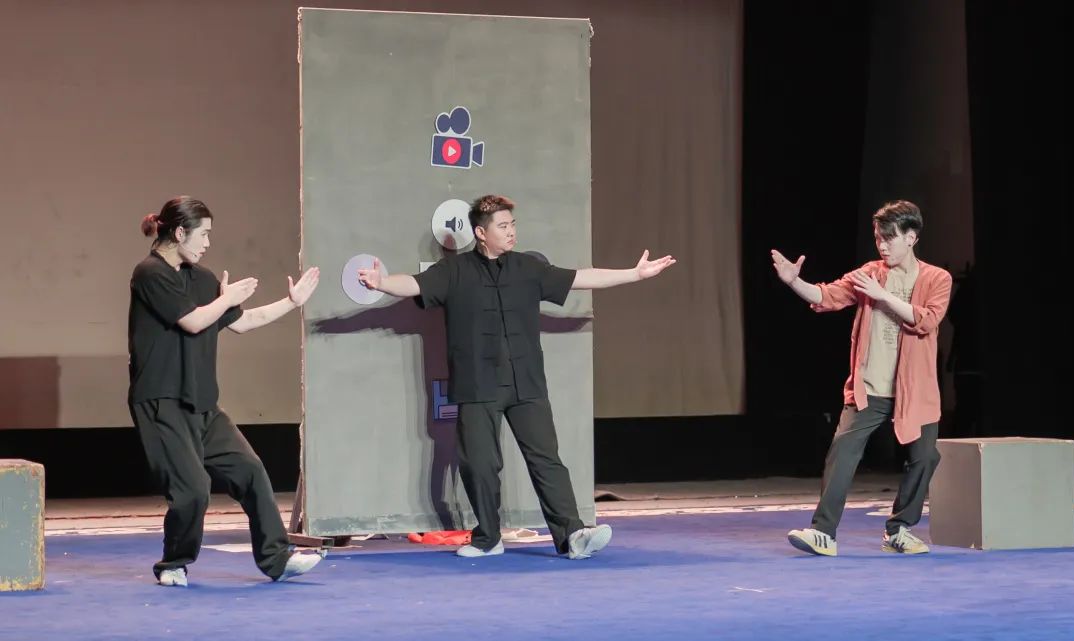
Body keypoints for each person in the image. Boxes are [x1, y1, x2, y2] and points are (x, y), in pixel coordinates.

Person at [358, 194, 676, 559]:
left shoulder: (527, 267)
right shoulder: (454, 271)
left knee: (546, 460)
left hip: (526, 382)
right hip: (477, 384)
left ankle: (572, 535)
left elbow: (581, 278)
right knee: (480, 464)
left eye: (513, 225)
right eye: (503, 226)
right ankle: (487, 538)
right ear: (481, 233)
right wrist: (382, 283)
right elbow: (413, 284)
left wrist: (634, 274)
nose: (511, 232)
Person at [128, 196, 323, 586]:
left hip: (201, 403)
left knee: (250, 470)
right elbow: (193, 321)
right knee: (192, 490)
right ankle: (173, 563)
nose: (207, 243)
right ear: (179, 232)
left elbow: (243, 321)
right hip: (161, 402)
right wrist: (227, 298)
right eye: (203, 234)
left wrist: (291, 303)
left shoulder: (202, 278)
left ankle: (276, 558)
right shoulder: (149, 273)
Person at [772, 200, 952, 556]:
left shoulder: (937, 278)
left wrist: (883, 297)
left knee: (924, 458)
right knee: (842, 452)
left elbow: (927, 320)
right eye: (878, 238)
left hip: (915, 392)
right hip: (869, 389)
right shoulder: (870, 273)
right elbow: (828, 296)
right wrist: (795, 282)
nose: (882, 245)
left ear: (911, 237)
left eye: (889, 237)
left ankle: (899, 530)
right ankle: (823, 532)